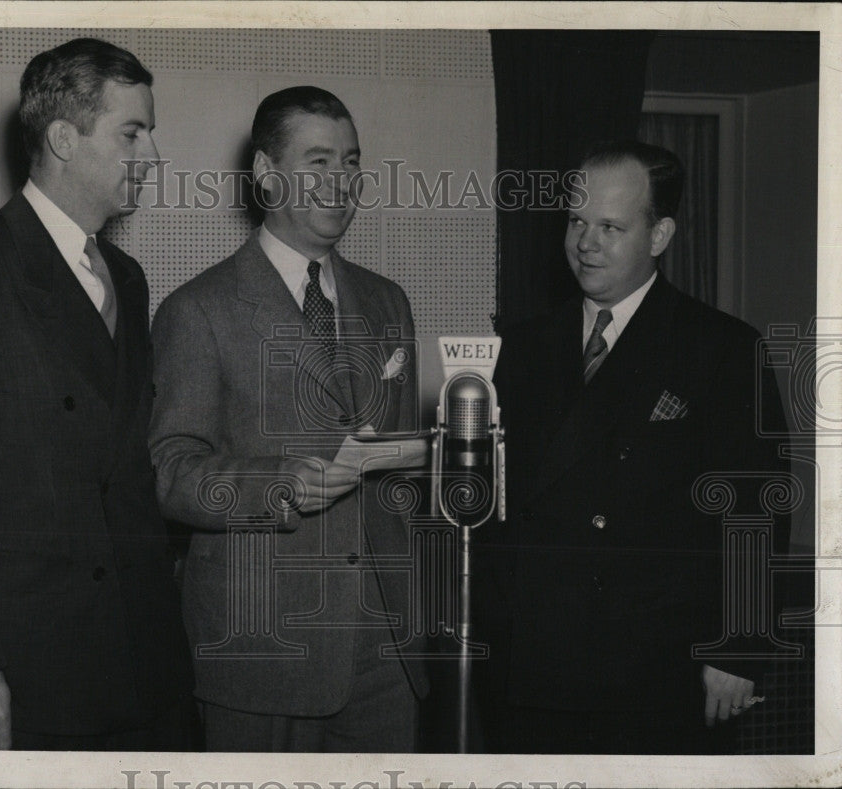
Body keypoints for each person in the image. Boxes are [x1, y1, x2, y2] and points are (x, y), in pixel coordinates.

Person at [0, 38, 195, 751]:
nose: (151, 155)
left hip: (141, 651)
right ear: (64, 137)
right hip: (33, 666)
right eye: (132, 132)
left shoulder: (125, 276)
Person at [473, 140, 791, 753]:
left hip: (656, 665)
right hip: (531, 658)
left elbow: (758, 511)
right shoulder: (523, 343)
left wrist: (741, 645)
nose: (585, 243)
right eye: (576, 221)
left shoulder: (722, 349)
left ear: (660, 234)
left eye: (611, 227)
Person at [149, 86, 428, 752]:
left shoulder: (388, 303)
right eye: (319, 162)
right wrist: (280, 484)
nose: (342, 182)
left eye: (352, 162)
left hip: (387, 650)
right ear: (267, 175)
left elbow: (403, 473)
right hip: (261, 653)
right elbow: (170, 472)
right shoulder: (199, 310)